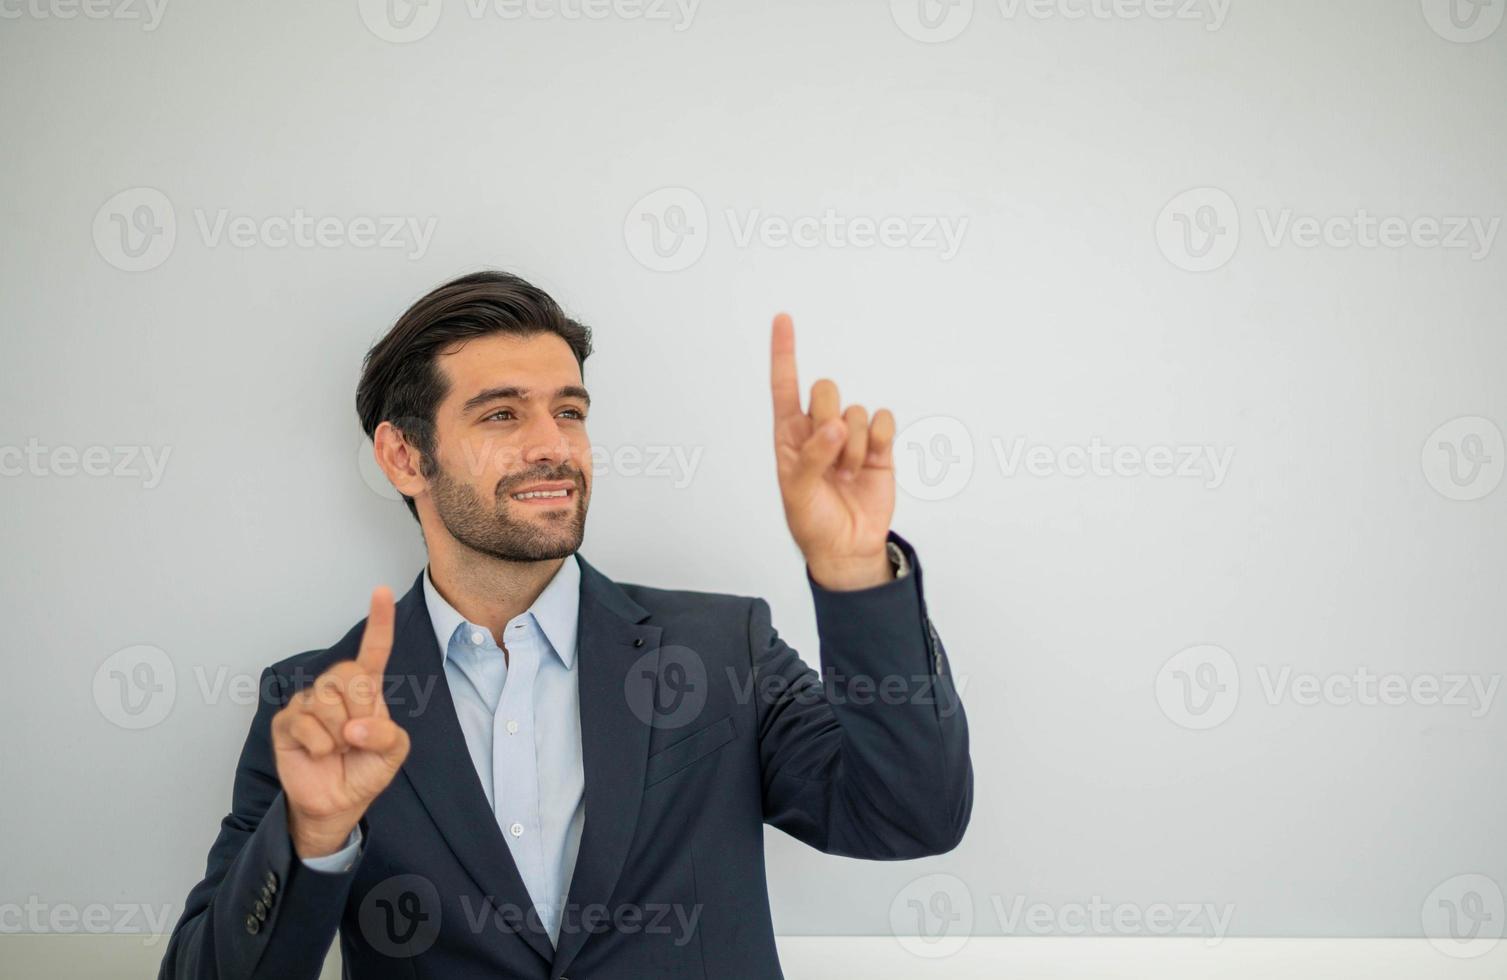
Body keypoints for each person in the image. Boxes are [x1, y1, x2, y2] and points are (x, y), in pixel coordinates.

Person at [158, 271, 973, 979]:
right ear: (404, 459)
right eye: (502, 416)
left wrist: (855, 574)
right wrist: (313, 837)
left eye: (569, 411)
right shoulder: (319, 707)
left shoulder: (726, 649)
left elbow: (910, 816)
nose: (554, 447)